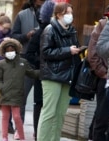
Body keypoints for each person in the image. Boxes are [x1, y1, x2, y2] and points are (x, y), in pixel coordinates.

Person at [37, 2, 82, 141]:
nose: (70, 16)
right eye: (67, 13)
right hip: (52, 75)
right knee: (49, 112)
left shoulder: (71, 30)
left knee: (61, 113)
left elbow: (75, 48)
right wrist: (68, 51)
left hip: (67, 75)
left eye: (71, 12)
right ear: (58, 14)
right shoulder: (49, 29)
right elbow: (45, 52)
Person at [87, 3, 109, 141]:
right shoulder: (103, 25)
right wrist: (102, 72)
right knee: (102, 116)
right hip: (106, 78)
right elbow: (93, 52)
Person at [0, 38, 39, 141]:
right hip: (5, 94)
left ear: (16, 50)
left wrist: (43, 72)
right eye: (8, 50)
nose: (10, 52)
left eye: (12, 50)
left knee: (17, 117)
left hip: (17, 94)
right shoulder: (1, 64)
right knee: (5, 117)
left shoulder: (23, 62)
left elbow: (32, 73)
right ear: (4, 52)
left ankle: (21, 137)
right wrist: (2, 88)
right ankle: (4, 137)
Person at [11, 0, 44, 138]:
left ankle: (39, 130)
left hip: (43, 61)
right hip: (26, 59)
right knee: (22, 95)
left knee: (41, 100)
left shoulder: (51, 16)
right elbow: (13, 36)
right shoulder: (22, 15)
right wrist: (27, 36)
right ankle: (19, 128)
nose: (41, 3)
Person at [26, 0, 55, 140]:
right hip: (42, 73)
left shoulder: (64, 30)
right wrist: (43, 62)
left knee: (50, 106)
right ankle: (38, 133)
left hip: (56, 74)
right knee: (39, 103)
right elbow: (29, 54)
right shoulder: (41, 31)